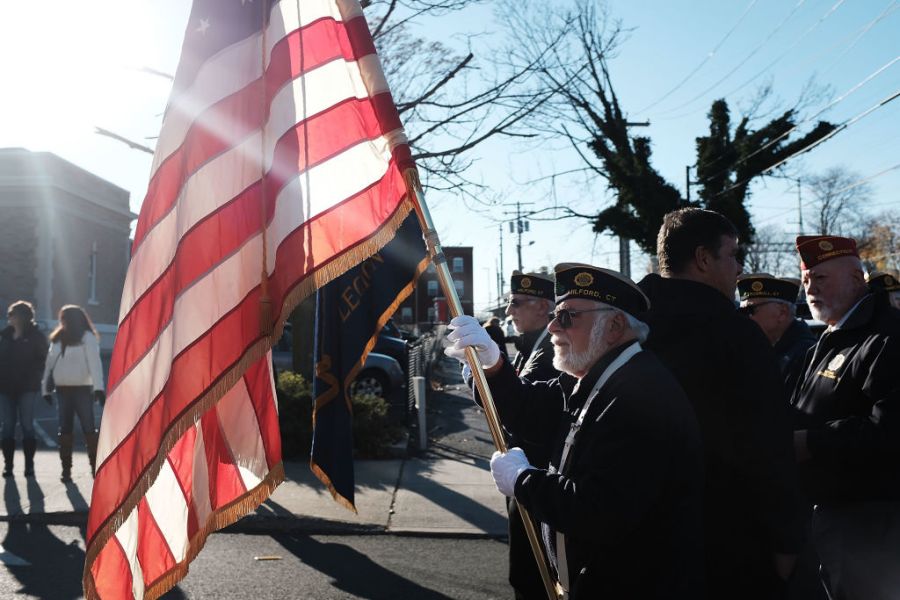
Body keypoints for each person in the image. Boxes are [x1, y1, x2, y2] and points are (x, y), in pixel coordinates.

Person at [447, 264, 704, 599]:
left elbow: (600, 511)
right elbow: (533, 411)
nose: (553, 325)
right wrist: (493, 367)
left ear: (614, 326)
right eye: (556, 313)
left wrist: (524, 481)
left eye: (568, 316)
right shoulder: (598, 375)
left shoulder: (640, 396)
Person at [637, 208, 804, 599]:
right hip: (729, 539)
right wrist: (786, 540)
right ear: (703, 259)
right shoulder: (738, 336)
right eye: (732, 254)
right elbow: (768, 445)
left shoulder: (625, 327)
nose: (740, 267)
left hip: (640, 535)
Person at [791, 236, 900, 600]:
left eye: (819, 278)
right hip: (834, 516)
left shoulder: (887, 336)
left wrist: (811, 442)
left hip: (872, 524)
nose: (809, 289)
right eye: (806, 280)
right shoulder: (834, 335)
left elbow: (889, 429)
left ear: (856, 278)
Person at [500, 270, 560, 600]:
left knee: (532, 576)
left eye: (516, 303)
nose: (510, 311)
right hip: (523, 474)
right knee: (523, 572)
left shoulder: (550, 351)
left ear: (542, 307)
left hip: (536, 476)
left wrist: (487, 374)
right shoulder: (529, 347)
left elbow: (521, 410)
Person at [41, 305, 105, 481]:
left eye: (66, 318)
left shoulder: (87, 337)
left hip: (83, 390)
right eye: (62, 318)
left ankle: (95, 469)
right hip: (63, 389)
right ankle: (66, 471)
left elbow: (95, 364)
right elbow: (49, 364)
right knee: (65, 429)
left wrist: (99, 389)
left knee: (89, 429)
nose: (63, 321)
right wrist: (45, 388)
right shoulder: (58, 338)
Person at [737, 273, 817, 393]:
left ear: (782, 313)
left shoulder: (804, 356)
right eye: (742, 312)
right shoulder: (760, 348)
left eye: (750, 310)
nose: (746, 318)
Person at [0, 300, 48, 477]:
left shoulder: (36, 337)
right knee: (7, 426)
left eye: (11, 314)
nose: (8, 318)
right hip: (5, 388)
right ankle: (8, 466)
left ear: (21, 317)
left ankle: (29, 466)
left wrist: (32, 377)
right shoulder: (4, 336)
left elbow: (42, 361)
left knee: (27, 425)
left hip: (27, 387)